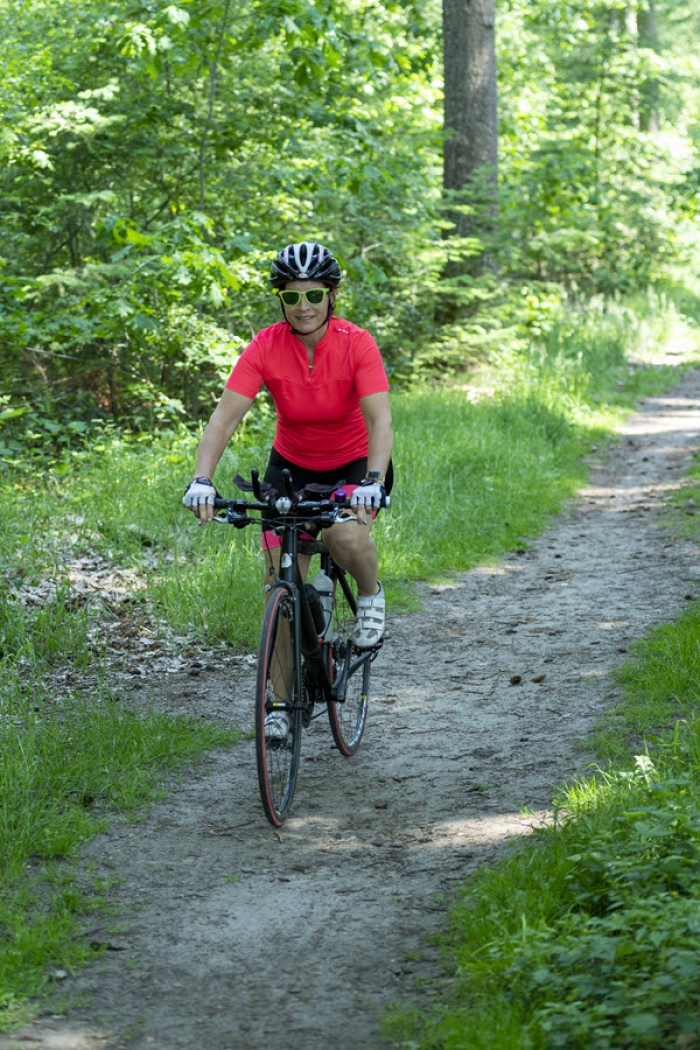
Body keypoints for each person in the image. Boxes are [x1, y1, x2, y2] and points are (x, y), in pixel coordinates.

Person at [183, 241, 393, 734]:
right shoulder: (264, 346)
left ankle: (369, 594)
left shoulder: (356, 342)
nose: (304, 307)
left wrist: (372, 481)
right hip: (291, 468)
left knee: (343, 538)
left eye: (315, 296)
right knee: (278, 584)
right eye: (292, 297)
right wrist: (201, 477)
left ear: (332, 296)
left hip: (353, 466)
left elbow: (380, 419)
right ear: (280, 299)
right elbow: (223, 418)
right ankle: (280, 704)